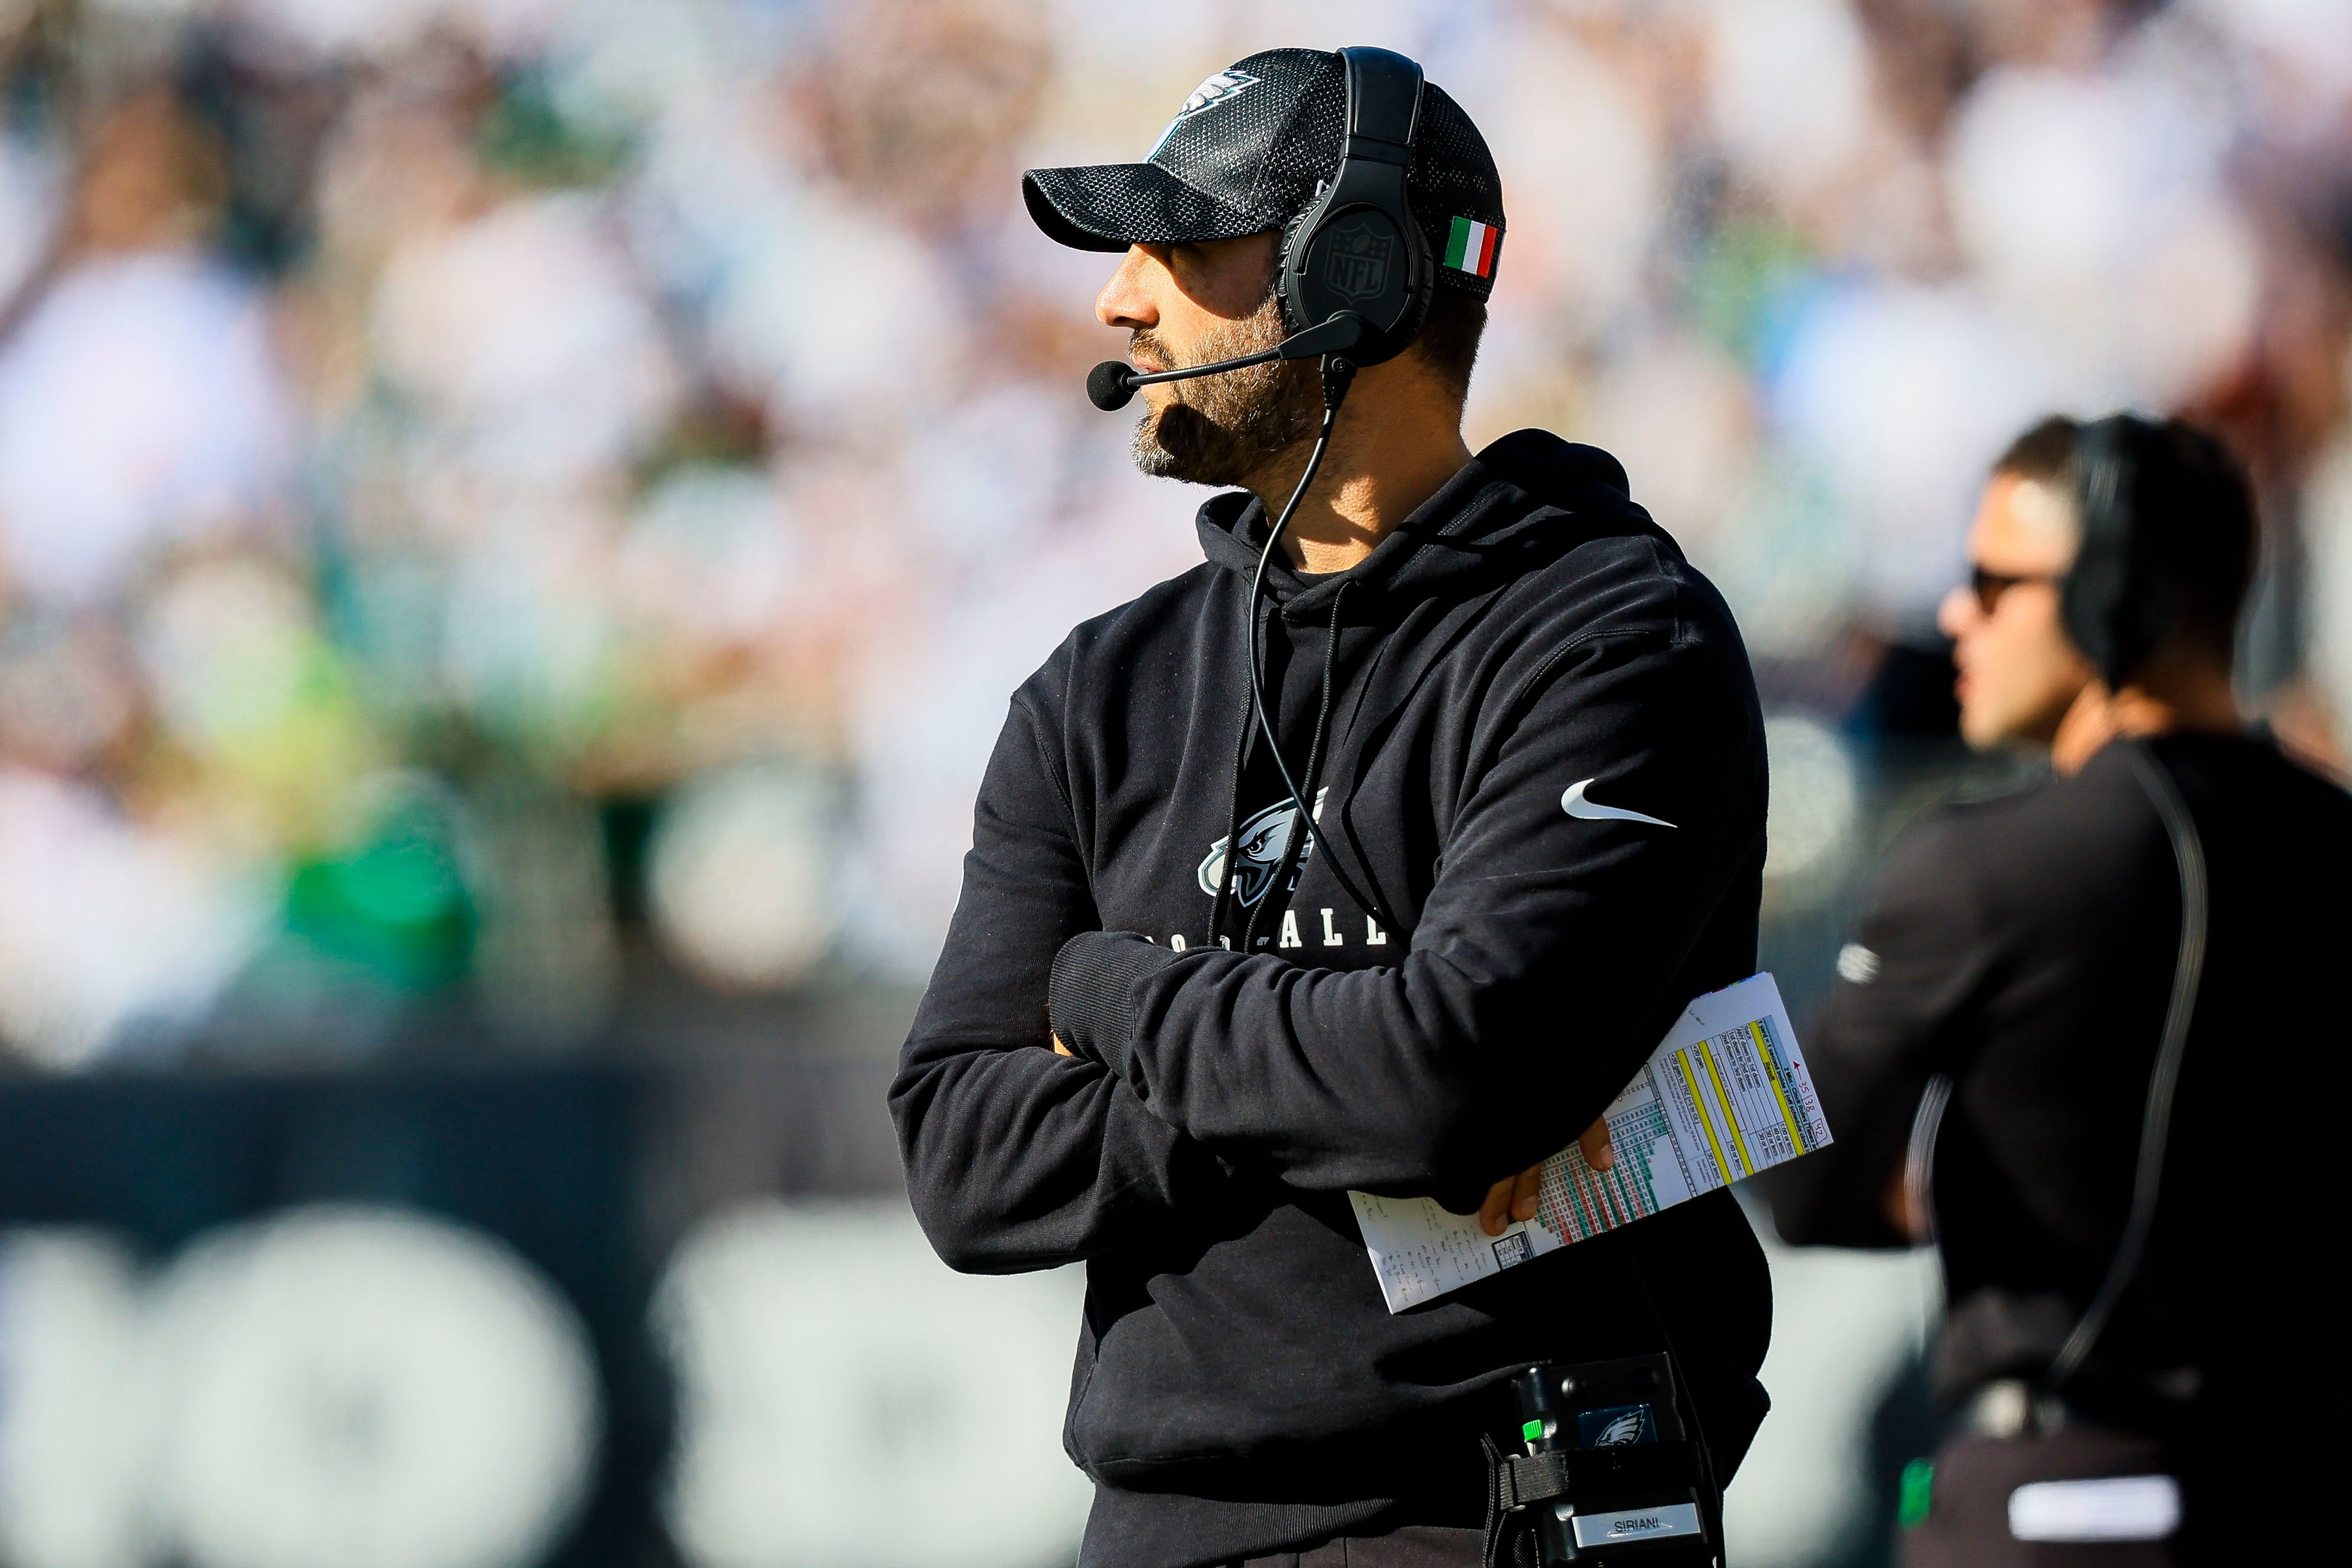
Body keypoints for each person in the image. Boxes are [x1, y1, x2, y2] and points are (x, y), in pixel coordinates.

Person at [890, 47, 1774, 1568]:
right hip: (1165, 1533)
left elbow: (1448, 1081)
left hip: (1504, 1526)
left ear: (1349, 270)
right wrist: (1329, 1056)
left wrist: (1108, 990)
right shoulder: (1097, 691)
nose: (1122, 299)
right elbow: (965, 1160)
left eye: (1181, 246)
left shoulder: (1616, 640)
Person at [1775, 414, 2352, 1564]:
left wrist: (1969, 1178)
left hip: (2051, 1507)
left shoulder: (1986, 864)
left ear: (2107, 600)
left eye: (1991, 582)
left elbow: (1806, 1177)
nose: (1954, 615)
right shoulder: (2332, 838)